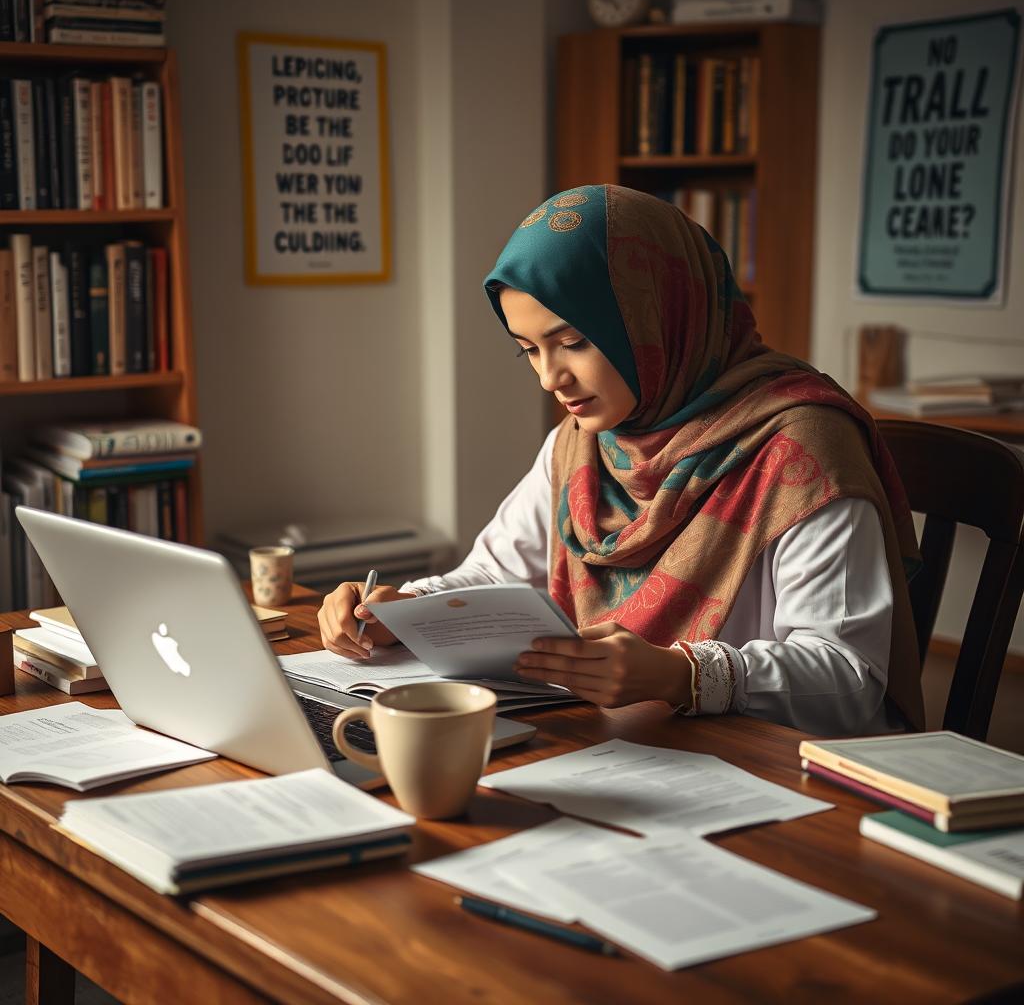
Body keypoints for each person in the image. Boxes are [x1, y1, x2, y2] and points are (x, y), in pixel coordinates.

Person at [318, 185, 924, 736]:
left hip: (775, 774)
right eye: (528, 350)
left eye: (574, 343)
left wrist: (678, 676)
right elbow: (493, 576)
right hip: (633, 750)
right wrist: (399, 609)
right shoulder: (584, 442)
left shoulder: (801, 447)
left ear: (657, 314)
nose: (551, 378)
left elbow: (849, 679)